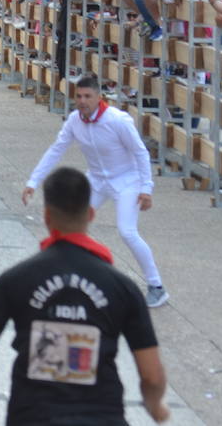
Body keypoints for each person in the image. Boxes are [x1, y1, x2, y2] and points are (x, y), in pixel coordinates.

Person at [0, 167, 169, 426]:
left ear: (47, 217)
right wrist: (154, 405)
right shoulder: (122, 287)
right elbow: (152, 376)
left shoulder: (17, 278)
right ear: (90, 214)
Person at [23, 75, 169, 307]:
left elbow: (141, 152)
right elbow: (55, 150)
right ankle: (64, 276)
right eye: (79, 96)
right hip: (97, 180)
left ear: (98, 97)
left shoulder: (118, 120)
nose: (82, 101)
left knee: (127, 231)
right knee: (66, 222)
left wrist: (146, 187)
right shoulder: (74, 120)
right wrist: (33, 181)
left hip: (127, 180)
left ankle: (156, 286)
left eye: (87, 96)